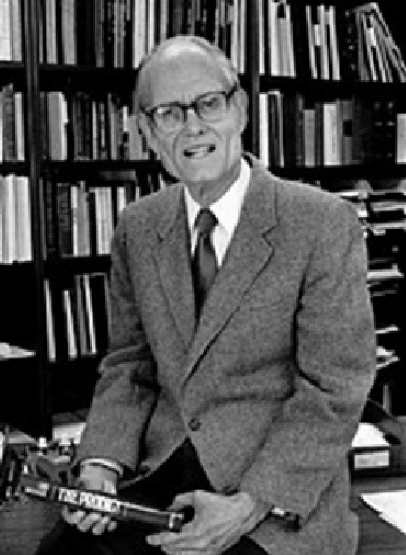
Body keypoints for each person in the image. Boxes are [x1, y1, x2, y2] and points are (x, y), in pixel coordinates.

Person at [35, 35, 376, 555]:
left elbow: (335, 388)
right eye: (169, 113)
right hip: (161, 474)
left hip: (274, 495)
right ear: (148, 133)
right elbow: (129, 365)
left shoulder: (322, 222)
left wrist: (251, 503)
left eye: (208, 104)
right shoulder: (137, 227)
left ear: (240, 110)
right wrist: (101, 466)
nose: (192, 126)